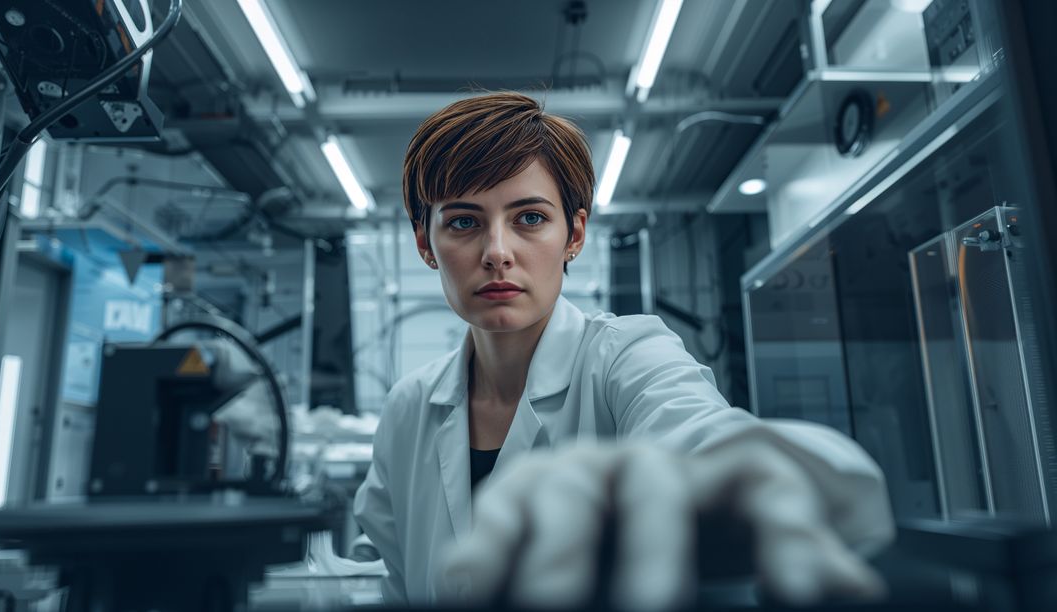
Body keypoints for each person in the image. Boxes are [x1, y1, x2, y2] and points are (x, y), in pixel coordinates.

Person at [352, 91, 894, 608]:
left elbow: (708, 434)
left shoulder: (627, 356)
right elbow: (394, 579)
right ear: (426, 243)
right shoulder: (409, 408)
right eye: (464, 222)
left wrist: (729, 476)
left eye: (530, 218)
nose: (497, 253)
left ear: (575, 235)